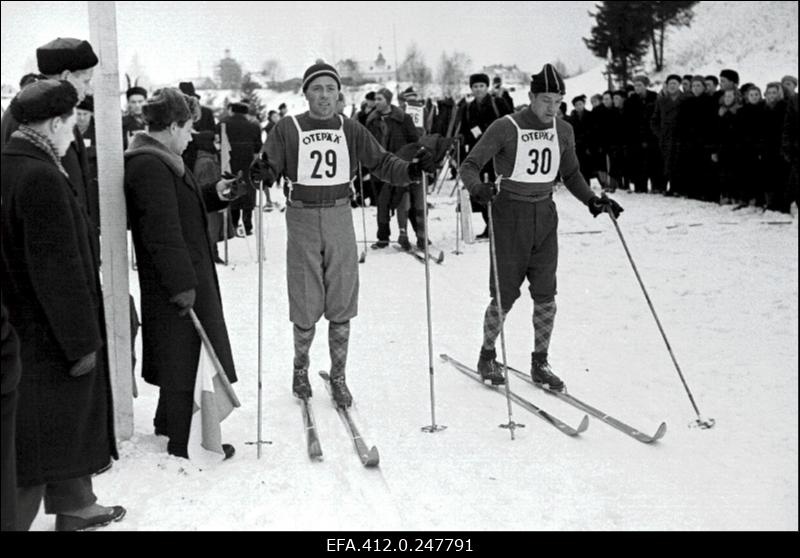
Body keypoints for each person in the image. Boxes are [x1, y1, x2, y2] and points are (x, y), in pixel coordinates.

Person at [252, 62, 434, 407]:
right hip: (302, 217)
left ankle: (339, 374)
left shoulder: (349, 128)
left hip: (339, 214)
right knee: (305, 296)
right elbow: (269, 166)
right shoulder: (288, 128)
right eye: (317, 88)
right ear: (305, 93)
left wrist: (410, 169)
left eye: (330, 89)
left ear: (339, 94)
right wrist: (261, 171)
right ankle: (300, 367)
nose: (324, 95)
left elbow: (381, 163)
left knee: (342, 293)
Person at [1, 79, 123, 531]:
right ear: (55, 122)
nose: (75, 131)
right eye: (72, 122)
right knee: (36, 446)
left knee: (59, 429)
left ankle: (75, 504)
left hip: (22, 326)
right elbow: (58, 270)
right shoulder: (40, 176)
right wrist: (81, 343)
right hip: (48, 336)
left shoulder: (15, 162)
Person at [459, 64, 622, 390]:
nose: (552, 107)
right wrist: (479, 189)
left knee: (546, 294)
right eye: (546, 100)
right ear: (531, 97)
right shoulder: (505, 127)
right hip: (510, 215)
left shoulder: (563, 130)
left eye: (557, 101)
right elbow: (470, 165)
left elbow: (572, 174)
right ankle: (487, 354)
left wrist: (592, 200)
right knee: (505, 293)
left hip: (545, 215)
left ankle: (540, 361)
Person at [124, 88, 243, 459]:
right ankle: (182, 439)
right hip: (177, 281)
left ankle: (169, 423)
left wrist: (217, 193)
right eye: (189, 127)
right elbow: (161, 231)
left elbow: (182, 206)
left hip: (186, 274)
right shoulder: (149, 165)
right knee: (183, 357)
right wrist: (181, 285)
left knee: (182, 354)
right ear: (173, 125)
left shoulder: (163, 159)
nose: (192, 135)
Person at [366, 87, 419, 250]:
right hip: (380, 168)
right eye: (375, 99)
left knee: (407, 202)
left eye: (380, 99)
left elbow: (414, 140)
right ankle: (383, 237)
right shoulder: (371, 120)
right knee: (382, 203)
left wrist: (411, 160)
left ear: (388, 101)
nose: (376, 102)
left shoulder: (403, 118)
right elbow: (367, 144)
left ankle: (420, 235)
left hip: (400, 167)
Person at [461, 72, 513, 238]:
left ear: (487, 87)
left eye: (481, 86)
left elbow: (510, 123)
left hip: (499, 154)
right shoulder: (468, 108)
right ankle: (489, 225)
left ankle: (502, 225)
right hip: (480, 155)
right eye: (475, 86)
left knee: (500, 189)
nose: (478, 89)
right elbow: (464, 130)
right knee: (482, 191)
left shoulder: (498, 103)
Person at [220, 100, 262, 236]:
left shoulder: (224, 123)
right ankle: (248, 225)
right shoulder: (253, 126)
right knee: (249, 192)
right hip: (248, 164)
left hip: (230, 163)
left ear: (232, 110)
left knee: (233, 190)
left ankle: (233, 224)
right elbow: (258, 147)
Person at [624, 75, 664, 193]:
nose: (637, 88)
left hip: (653, 136)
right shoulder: (630, 101)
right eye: (635, 85)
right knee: (638, 163)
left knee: (654, 162)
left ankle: (657, 186)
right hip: (636, 138)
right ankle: (640, 187)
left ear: (645, 85)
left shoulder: (655, 98)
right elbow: (628, 122)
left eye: (639, 85)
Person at [651, 74, 684, 195]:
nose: (672, 86)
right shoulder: (661, 100)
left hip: (681, 136)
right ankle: (671, 187)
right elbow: (654, 119)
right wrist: (660, 133)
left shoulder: (685, 99)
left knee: (680, 162)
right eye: (670, 84)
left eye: (675, 83)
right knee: (668, 163)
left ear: (679, 85)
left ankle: (679, 188)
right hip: (666, 137)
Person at [567, 94, 593, 184]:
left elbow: (593, 130)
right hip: (577, 145)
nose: (579, 106)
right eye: (577, 105)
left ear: (584, 104)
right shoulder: (572, 118)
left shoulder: (590, 115)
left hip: (587, 144)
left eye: (580, 104)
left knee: (587, 165)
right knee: (578, 164)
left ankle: (587, 182)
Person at [122, 78, 147, 149]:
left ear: (145, 101)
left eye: (140, 101)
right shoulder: (123, 123)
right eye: (133, 102)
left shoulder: (153, 121)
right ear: (128, 103)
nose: (137, 105)